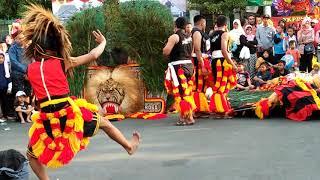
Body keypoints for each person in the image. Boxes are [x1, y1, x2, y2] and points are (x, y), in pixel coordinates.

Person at [21, 5, 140, 179]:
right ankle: (129, 147)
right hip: (68, 115)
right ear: (55, 47)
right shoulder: (62, 62)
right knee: (105, 123)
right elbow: (93, 55)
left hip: (47, 119)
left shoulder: (30, 69)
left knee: (31, 155)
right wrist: (104, 42)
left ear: (37, 49)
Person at [163, 17, 195, 126]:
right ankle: (189, 116)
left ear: (175, 25)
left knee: (181, 93)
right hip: (189, 66)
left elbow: (166, 51)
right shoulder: (189, 36)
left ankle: (184, 118)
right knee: (186, 92)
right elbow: (192, 51)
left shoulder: (175, 36)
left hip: (179, 66)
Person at [209, 15, 237, 117]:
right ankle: (220, 110)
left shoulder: (212, 34)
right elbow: (224, 50)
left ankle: (218, 108)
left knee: (217, 85)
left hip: (214, 61)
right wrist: (232, 64)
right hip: (222, 62)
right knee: (222, 86)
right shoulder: (225, 34)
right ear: (226, 25)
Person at [191, 15, 211, 117]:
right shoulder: (197, 32)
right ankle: (196, 110)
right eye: (204, 23)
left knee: (202, 85)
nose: (205, 25)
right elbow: (197, 49)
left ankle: (200, 108)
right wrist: (202, 63)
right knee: (198, 85)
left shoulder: (196, 32)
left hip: (200, 60)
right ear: (202, 22)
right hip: (197, 61)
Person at [0, 51, 12, 121]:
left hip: (4, 87)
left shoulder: (5, 67)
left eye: (2, 58)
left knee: (5, 102)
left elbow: (8, 77)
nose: (1, 59)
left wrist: (9, 88)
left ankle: (5, 115)